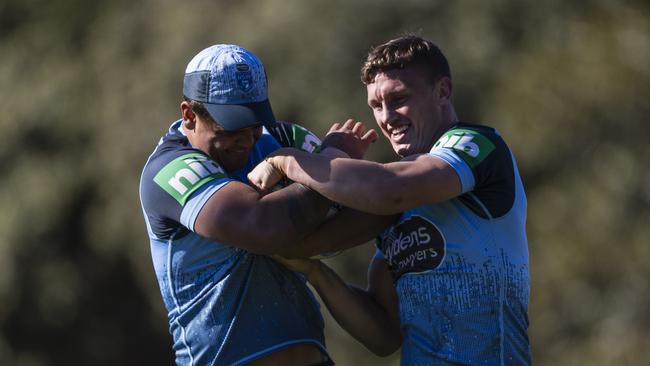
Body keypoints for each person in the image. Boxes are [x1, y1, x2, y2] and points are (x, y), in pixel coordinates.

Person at [249, 35, 531, 365]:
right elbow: (383, 334)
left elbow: (390, 188)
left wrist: (286, 159)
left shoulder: (477, 145)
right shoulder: (393, 200)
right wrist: (315, 272)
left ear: (442, 91)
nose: (387, 117)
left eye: (398, 99)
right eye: (376, 106)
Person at [139, 44, 375, 365]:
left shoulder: (281, 136)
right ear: (189, 115)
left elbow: (369, 210)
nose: (248, 140)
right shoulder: (170, 169)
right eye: (232, 129)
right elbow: (262, 227)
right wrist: (331, 164)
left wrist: (326, 184)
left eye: (254, 124)